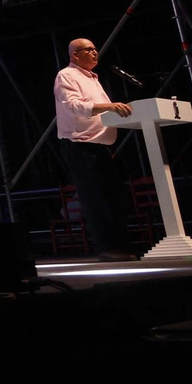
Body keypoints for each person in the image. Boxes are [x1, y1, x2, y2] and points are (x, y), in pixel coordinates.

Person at [54, 37, 135, 260]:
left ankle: (121, 247)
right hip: (80, 145)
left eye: (95, 49)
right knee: (95, 199)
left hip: (99, 147)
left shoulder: (92, 78)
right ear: (74, 56)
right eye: (87, 50)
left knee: (115, 197)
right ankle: (107, 249)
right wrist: (110, 106)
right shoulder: (67, 75)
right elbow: (74, 106)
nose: (94, 52)